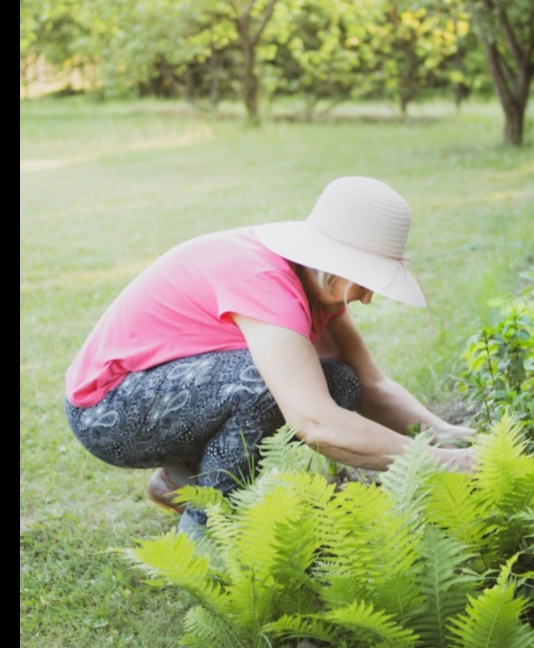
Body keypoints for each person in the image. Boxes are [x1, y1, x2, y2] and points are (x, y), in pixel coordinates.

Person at [64, 176, 476, 538]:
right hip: (106, 411)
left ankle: (180, 480)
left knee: (341, 382)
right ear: (334, 264)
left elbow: (372, 384)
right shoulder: (264, 282)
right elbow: (314, 421)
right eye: (367, 280)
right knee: (267, 388)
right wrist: (443, 463)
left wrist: (453, 437)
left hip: (160, 394)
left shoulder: (315, 284)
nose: (368, 298)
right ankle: (209, 529)